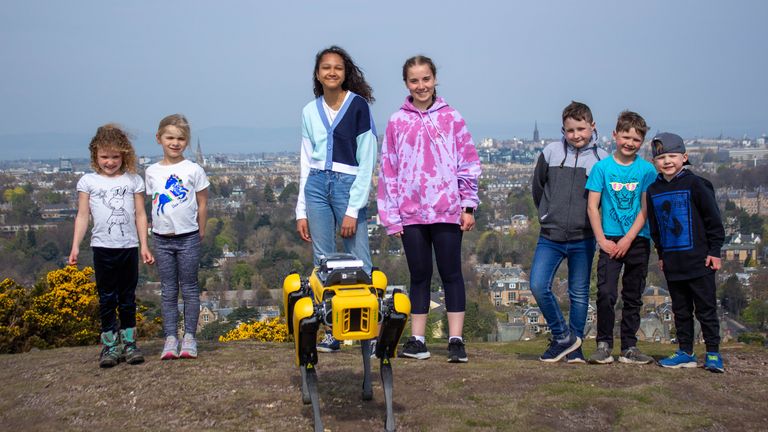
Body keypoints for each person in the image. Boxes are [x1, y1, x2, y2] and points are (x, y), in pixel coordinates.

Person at [377, 55, 481, 363]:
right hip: (411, 213)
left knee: (451, 274)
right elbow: (388, 170)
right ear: (406, 84)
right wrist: (391, 217)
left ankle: (456, 341)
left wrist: (468, 206)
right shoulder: (397, 121)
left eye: (426, 79)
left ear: (435, 79)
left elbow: (468, 163)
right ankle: (417, 340)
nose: (421, 86)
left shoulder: (452, 118)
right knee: (418, 275)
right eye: (414, 80)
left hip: (447, 209)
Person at [295, 46, 377, 353]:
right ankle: (333, 331)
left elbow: (367, 159)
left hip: (347, 185)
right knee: (322, 261)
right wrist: (301, 209)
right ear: (317, 73)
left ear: (346, 73)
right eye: (326, 67)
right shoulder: (308, 111)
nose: (332, 72)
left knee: (359, 257)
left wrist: (353, 208)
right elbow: (305, 160)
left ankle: (367, 330)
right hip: (316, 184)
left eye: (338, 68)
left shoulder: (359, 107)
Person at [69, 124, 154, 368]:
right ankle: (109, 345)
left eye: (115, 156)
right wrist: (75, 246)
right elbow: (82, 215)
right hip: (102, 247)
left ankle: (129, 343)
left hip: (128, 247)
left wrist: (144, 245)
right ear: (95, 155)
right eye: (104, 156)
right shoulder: (88, 182)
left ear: (124, 155)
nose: (110, 162)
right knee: (106, 298)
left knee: (127, 298)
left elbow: (140, 215)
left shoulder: (133, 180)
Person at [530, 101, 609, 363]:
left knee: (579, 294)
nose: (576, 135)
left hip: (583, 238)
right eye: (570, 130)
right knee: (538, 285)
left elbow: (604, 200)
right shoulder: (551, 152)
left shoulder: (602, 160)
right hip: (550, 236)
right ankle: (563, 336)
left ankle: (574, 350)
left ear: (592, 126)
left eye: (581, 129)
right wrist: (546, 214)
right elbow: (538, 186)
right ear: (562, 130)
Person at [646, 132, 725, 372]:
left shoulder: (696, 185)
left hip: (700, 261)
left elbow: (714, 221)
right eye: (661, 158)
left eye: (672, 156)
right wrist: (661, 254)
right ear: (654, 162)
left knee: (706, 308)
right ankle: (685, 352)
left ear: (684, 157)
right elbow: (656, 227)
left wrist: (714, 251)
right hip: (673, 262)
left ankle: (712, 353)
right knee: (680, 310)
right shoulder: (653, 190)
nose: (667, 161)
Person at [585, 111, 657, 365]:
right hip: (609, 239)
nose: (630, 143)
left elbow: (645, 209)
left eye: (636, 140)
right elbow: (592, 207)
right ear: (615, 135)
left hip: (637, 239)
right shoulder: (601, 168)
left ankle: (629, 346)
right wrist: (602, 240)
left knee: (633, 295)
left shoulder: (647, 170)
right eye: (626, 136)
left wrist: (628, 239)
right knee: (605, 292)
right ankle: (603, 345)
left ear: (642, 142)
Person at [145, 114, 209, 360]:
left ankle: (190, 338)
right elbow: (152, 204)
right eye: (170, 137)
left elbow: (202, 203)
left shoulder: (194, 169)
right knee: (169, 290)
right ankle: (171, 338)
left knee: (190, 288)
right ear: (159, 138)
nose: (175, 143)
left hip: (188, 237)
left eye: (181, 138)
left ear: (187, 142)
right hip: (161, 238)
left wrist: (201, 230)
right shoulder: (151, 171)